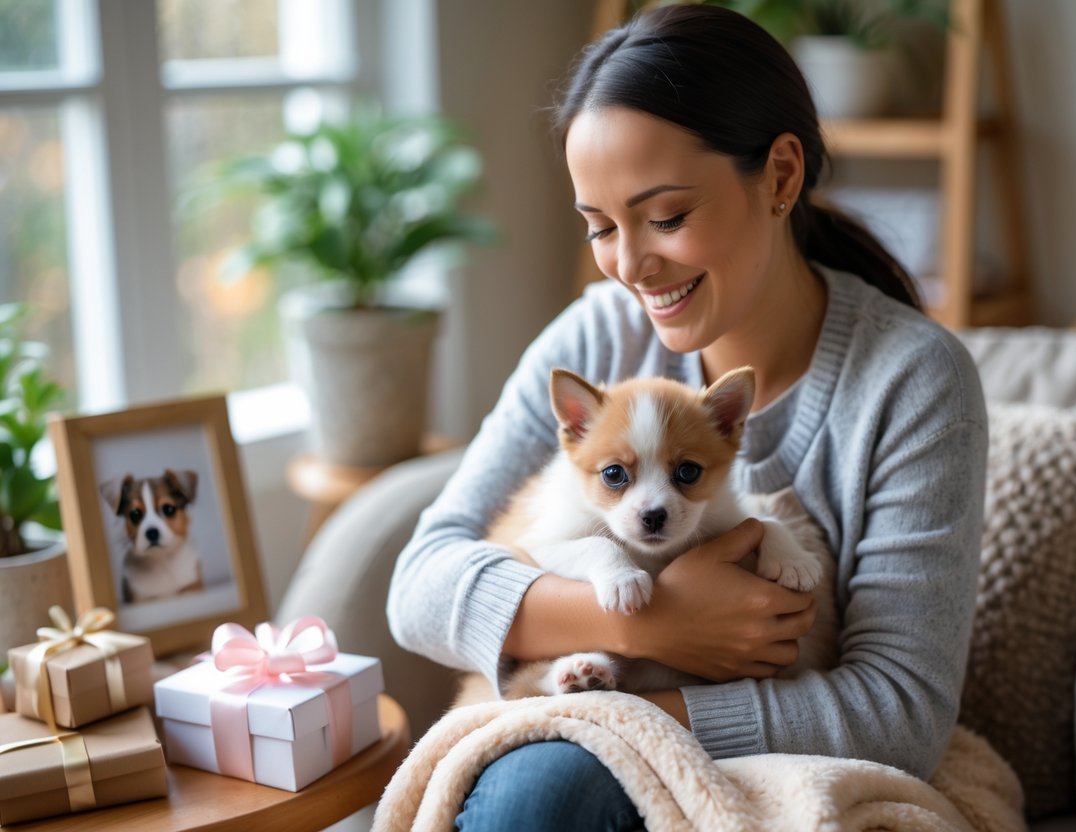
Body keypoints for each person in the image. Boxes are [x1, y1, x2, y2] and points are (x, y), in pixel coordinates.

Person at [387, 5, 988, 829]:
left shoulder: (912, 383)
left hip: (756, 766)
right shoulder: (595, 335)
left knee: (543, 791)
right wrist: (658, 622)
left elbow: (901, 714)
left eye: (665, 217)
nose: (630, 265)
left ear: (780, 177)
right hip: (587, 710)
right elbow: (420, 587)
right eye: (600, 227)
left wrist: (646, 701)